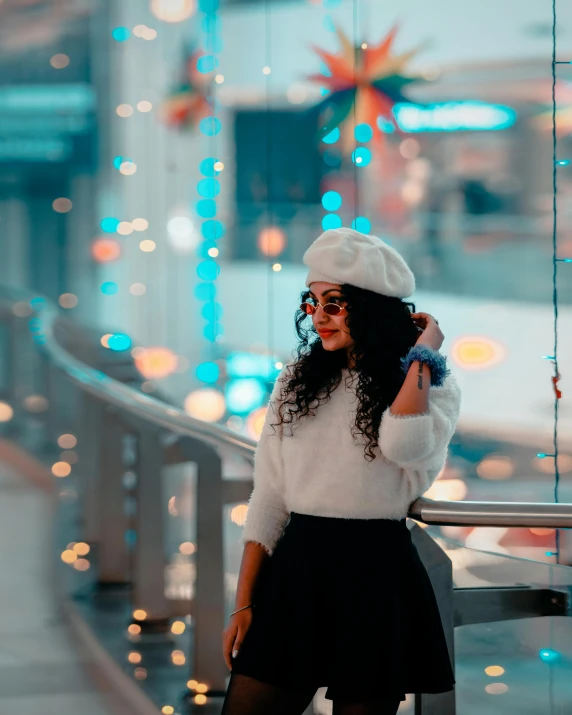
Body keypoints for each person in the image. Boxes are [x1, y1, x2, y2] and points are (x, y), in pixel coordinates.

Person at [221, 227, 462, 715]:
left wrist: (424, 353)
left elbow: (405, 443)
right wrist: (244, 603)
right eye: (313, 303)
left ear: (370, 306)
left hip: (376, 574)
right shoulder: (297, 380)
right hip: (297, 569)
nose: (320, 317)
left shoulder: (429, 383)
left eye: (334, 302)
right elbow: (268, 497)